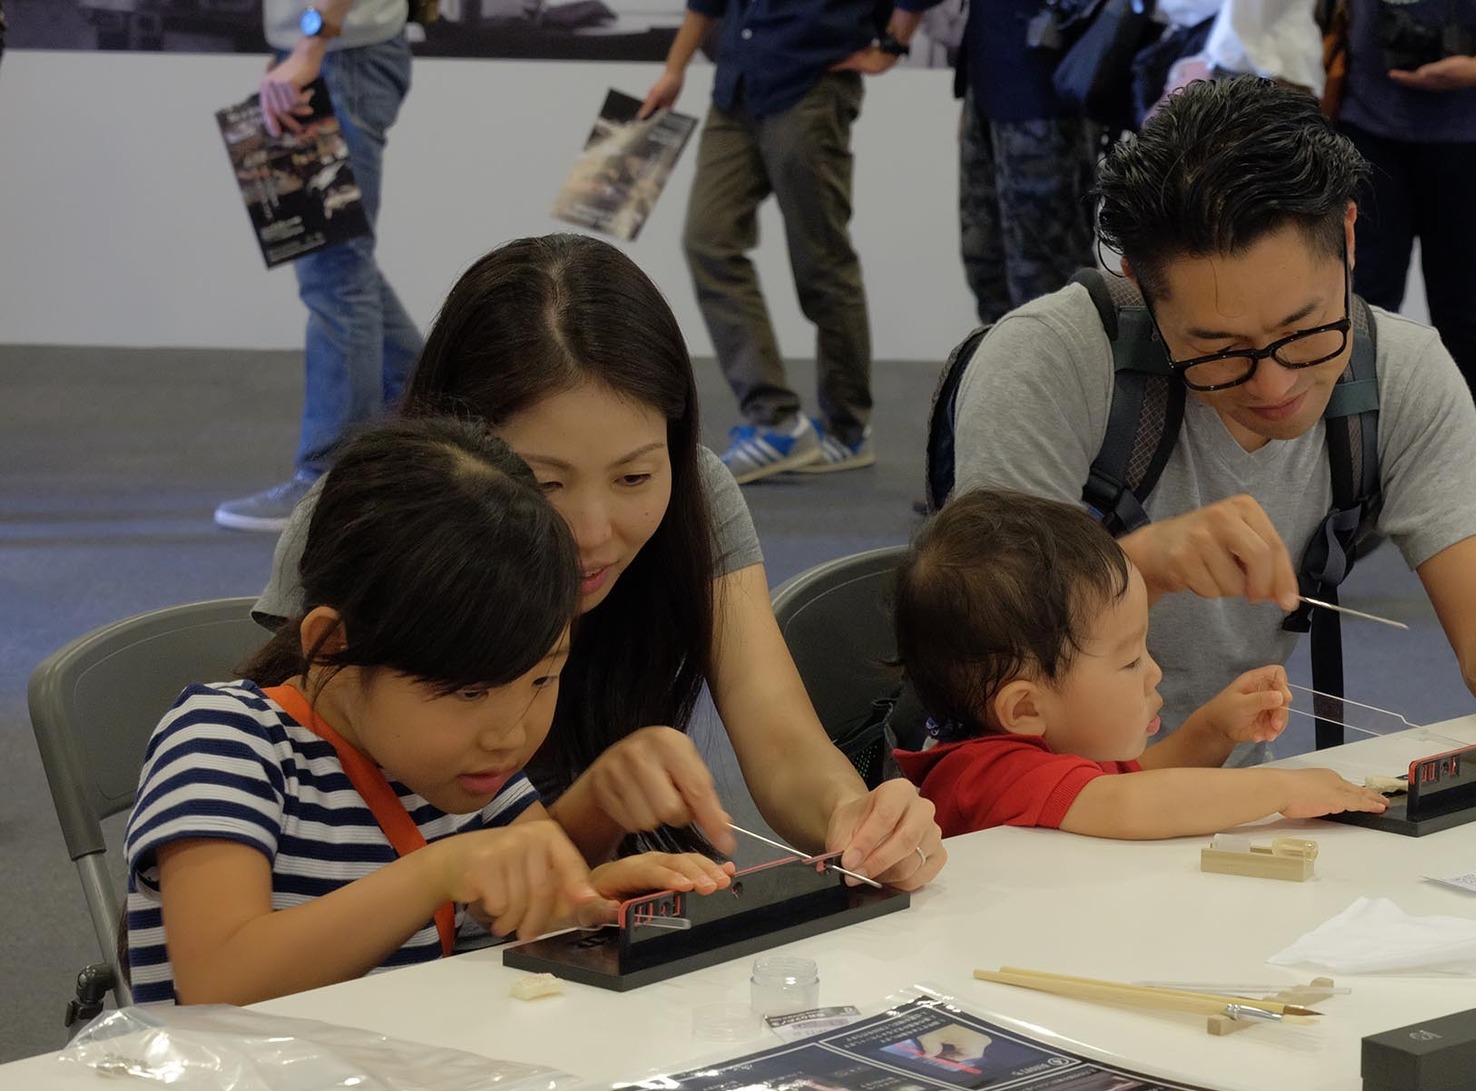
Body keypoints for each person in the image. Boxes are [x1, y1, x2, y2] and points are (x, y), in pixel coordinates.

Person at [951, 76, 1476, 762]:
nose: (1273, 384)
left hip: (1228, 801)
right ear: (1135, 281)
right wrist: (1136, 567)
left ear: (1346, 233)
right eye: (1217, 350)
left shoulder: (1399, 375)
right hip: (1039, 814)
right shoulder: (1048, 364)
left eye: (1305, 332)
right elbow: (986, 652)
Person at [257, 234, 946, 889]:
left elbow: (781, 741)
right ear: (453, 451)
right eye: (543, 482)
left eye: (635, 478)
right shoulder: (364, 517)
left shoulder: (697, 494)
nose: (590, 533)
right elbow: (296, 817)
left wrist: (851, 816)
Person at [127, 420, 734, 1006]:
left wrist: (595, 895)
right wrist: (436, 871)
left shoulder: (466, 769)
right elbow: (218, 982)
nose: (510, 733)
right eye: (469, 693)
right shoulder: (226, 740)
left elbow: (538, 904)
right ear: (331, 646)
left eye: (543, 678)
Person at [892, 490, 1390, 838]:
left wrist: (1214, 730)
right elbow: (1131, 805)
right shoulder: (988, 773)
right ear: (1024, 709)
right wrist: (1279, 787)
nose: (1154, 672)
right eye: (1130, 661)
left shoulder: (1061, 751)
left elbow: (1139, 780)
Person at [639, 0, 938, 483]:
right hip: (736, 85)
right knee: (707, 240)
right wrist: (674, 70)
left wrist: (895, 43)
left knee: (821, 262)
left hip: (810, 85)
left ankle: (847, 428)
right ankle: (775, 421)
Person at [214, 1, 423, 532]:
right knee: (343, 261)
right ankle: (431, 399)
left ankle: (328, 480)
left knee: (335, 271)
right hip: (330, 52)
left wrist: (311, 42)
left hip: (340, 54)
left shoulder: (328, 47)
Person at [1337, 0, 1476, 471]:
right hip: (1366, 113)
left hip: (1475, 124)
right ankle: (1348, 454)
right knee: (1362, 294)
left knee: (1461, 298)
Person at [955, 0, 1100, 324]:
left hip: (1048, 91)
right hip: (991, 80)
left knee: (1045, 277)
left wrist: (898, 32)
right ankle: (1001, 371)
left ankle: (1066, 373)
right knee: (986, 262)